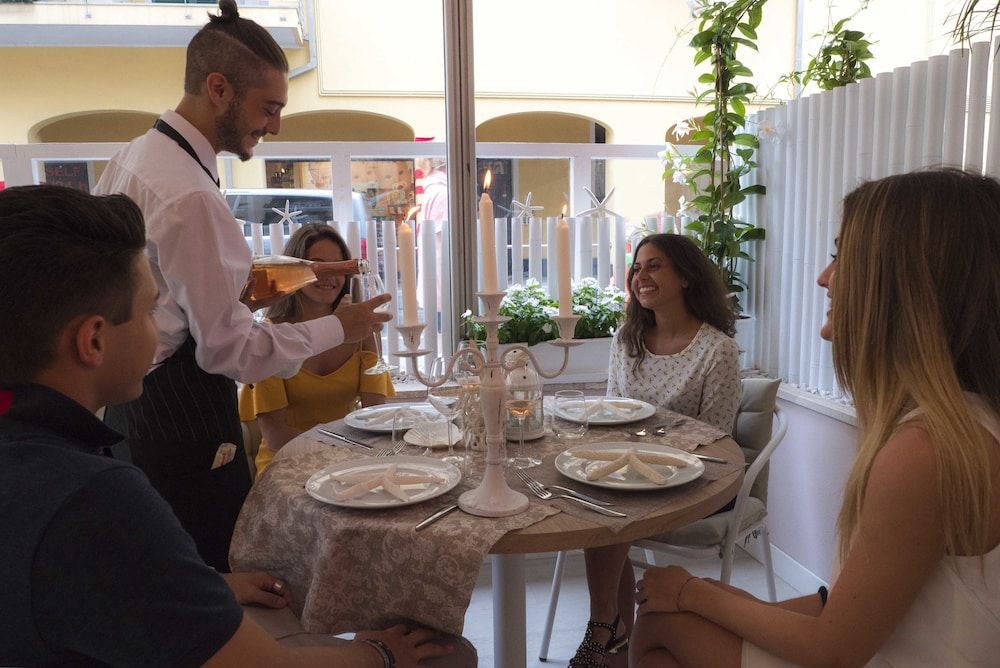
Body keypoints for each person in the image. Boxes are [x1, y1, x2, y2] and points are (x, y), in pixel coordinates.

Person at [0, 185, 453, 667]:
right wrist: (380, 652)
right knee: (446, 655)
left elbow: (95, 583)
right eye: (153, 310)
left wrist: (208, 585)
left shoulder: (35, 465)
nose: (165, 331)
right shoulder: (95, 498)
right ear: (93, 340)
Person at [631, 169, 1000, 667]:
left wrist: (693, 592)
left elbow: (834, 649)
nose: (824, 277)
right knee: (660, 619)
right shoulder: (962, 424)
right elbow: (853, 607)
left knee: (659, 632)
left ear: (901, 282)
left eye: (841, 255)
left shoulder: (924, 452)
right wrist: (713, 600)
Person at [92, 0, 391, 571]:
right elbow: (230, 350)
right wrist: (337, 326)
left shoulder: (136, 156)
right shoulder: (192, 197)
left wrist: (300, 273)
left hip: (132, 412)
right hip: (182, 423)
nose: (275, 125)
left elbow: (176, 290)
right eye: (269, 107)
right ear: (219, 89)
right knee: (216, 584)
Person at [571, 233, 742, 668]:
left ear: (685, 277)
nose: (640, 276)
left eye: (654, 266)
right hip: (627, 473)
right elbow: (609, 411)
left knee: (607, 503)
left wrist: (648, 449)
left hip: (694, 479)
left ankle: (604, 632)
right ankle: (609, 631)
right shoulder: (627, 340)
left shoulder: (716, 349)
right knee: (599, 495)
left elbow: (717, 439)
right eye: (636, 268)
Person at [240, 223, 394, 474]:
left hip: (345, 463)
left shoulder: (361, 333)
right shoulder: (271, 338)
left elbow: (375, 414)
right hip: (286, 465)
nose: (329, 276)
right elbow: (277, 436)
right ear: (293, 271)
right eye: (318, 265)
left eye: (337, 267)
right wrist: (345, 448)